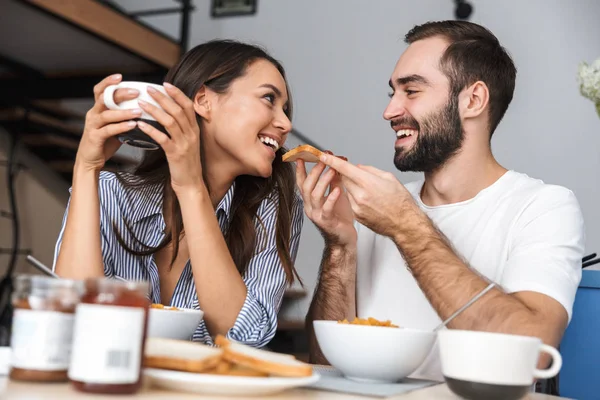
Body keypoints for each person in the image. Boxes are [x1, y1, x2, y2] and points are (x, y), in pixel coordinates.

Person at [299, 20, 584, 380]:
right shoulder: (378, 207)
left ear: (473, 100)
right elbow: (325, 364)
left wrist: (405, 225)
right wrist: (339, 246)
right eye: (392, 93)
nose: (389, 112)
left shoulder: (542, 208)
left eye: (412, 91)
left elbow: (531, 354)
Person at [52, 39, 304, 348]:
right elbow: (71, 318)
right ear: (204, 100)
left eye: (286, 109)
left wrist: (190, 188)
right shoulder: (110, 194)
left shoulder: (273, 209)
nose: (285, 123)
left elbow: (247, 337)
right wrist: (86, 166)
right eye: (268, 98)